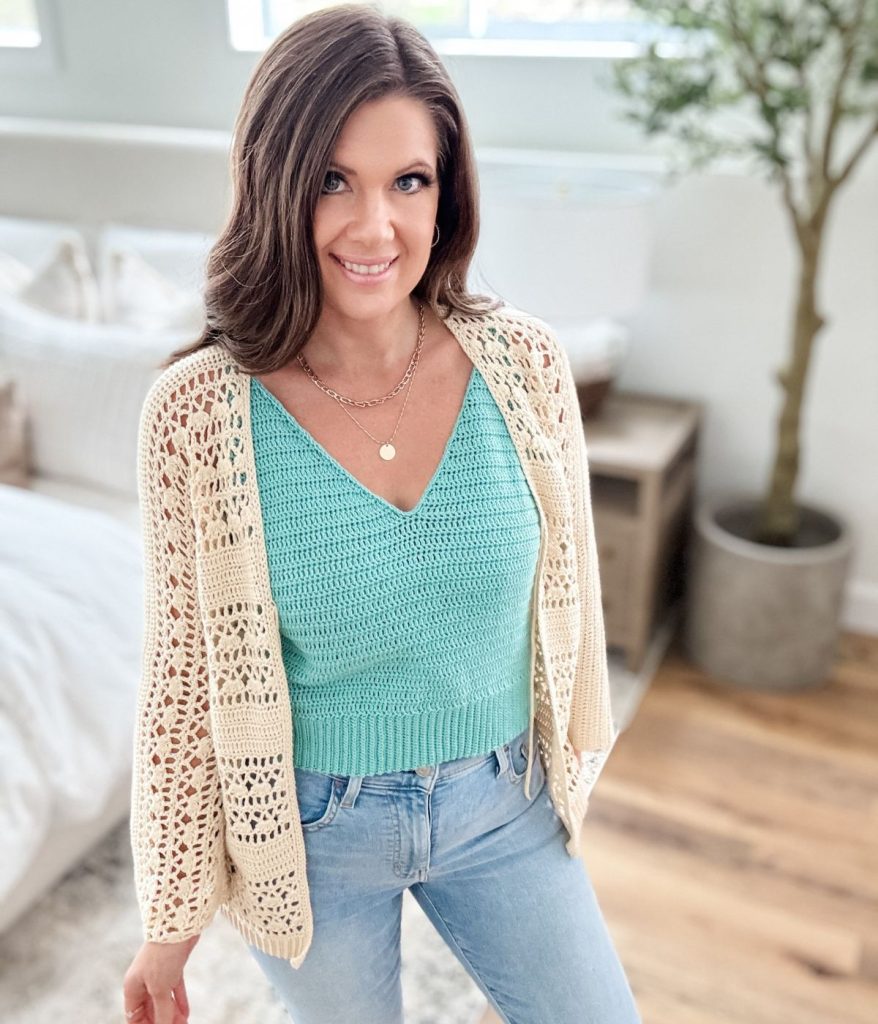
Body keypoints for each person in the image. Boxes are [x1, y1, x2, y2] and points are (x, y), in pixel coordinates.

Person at [121, 3, 642, 1023]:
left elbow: (567, 600)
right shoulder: (196, 414)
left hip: (504, 799)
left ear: (445, 193)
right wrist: (167, 927)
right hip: (309, 834)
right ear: (274, 184)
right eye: (331, 181)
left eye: (410, 180)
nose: (375, 227)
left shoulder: (526, 367)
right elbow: (181, 690)